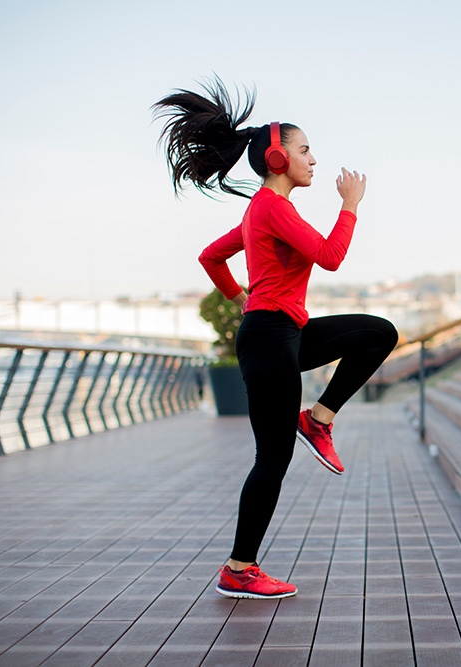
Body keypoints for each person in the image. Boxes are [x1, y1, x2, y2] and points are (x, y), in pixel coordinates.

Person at [153, 77, 398, 600]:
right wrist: (351, 205)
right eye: (305, 149)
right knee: (272, 458)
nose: (314, 159)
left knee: (378, 333)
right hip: (270, 338)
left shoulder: (261, 212)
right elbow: (330, 257)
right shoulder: (271, 207)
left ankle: (319, 418)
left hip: (283, 330)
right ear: (277, 157)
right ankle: (239, 568)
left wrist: (240, 296)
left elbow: (210, 257)